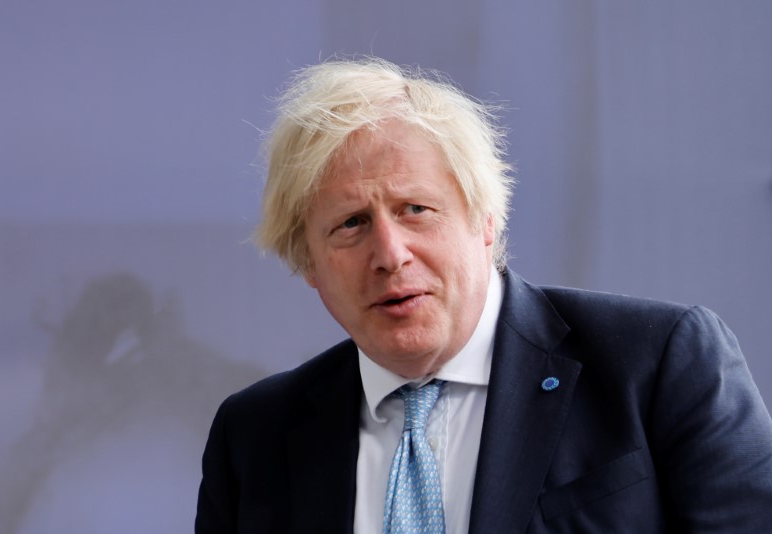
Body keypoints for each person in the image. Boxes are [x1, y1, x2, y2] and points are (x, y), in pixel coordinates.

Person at [195, 58, 772, 533]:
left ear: (486, 219)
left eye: (414, 209)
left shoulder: (660, 364)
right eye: (350, 224)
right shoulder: (253, 436)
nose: (390, 254)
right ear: (308, 265)